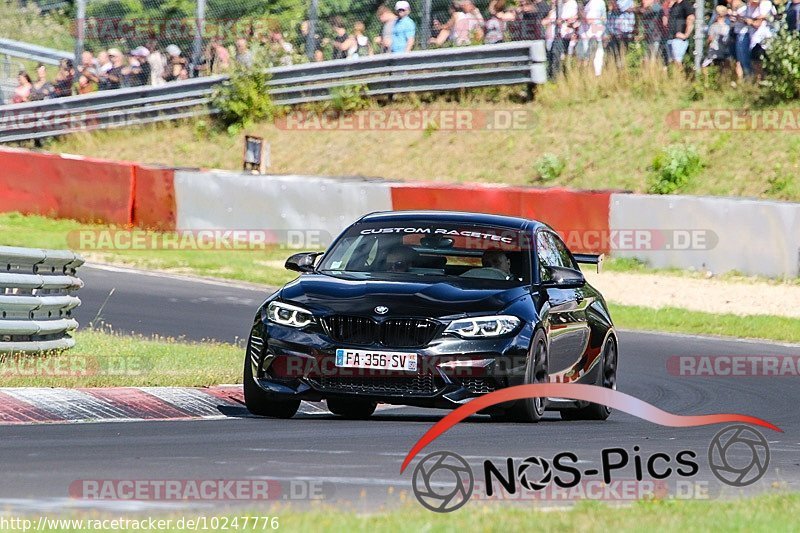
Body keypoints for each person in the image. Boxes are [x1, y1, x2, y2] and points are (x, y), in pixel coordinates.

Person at [579, 0, 607, 76]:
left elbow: (589, 20)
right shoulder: (591, 3)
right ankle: (593, 75)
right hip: (592, 34)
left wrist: (580, 10)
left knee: (591, 56)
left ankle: (592, 75)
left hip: (593, 35)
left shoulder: (595, 3)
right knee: (590, 56)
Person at [664, 0, 695, 65]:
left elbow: (691, 18)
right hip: (671, 37)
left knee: (677, 62)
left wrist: (686, 35)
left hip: (679, 39)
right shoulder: (675, 5)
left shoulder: (685, 4)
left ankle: (680, 74)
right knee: (671, 62)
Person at [637, 0, 666, 64]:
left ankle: (653, 72)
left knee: (652, 59)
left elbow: (657, 9)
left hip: (656, 38)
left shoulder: (656, 6)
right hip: (648, 38)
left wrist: (644, 9)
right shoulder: (646, 10)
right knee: (646, 60)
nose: (643, 1)